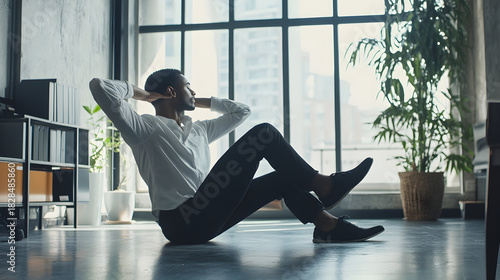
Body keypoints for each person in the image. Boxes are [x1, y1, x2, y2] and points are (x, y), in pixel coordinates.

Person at [89, 69, 384, 244]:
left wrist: (193, 100)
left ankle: (328, 227)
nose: (193, 90)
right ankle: (324, 186)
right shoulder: (144, 128)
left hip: (207, 214)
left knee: (283, 177)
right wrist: (148, 96)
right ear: (170, 91)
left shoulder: (200, 130)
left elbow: (240, 112)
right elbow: (100, 88)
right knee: (264, 134)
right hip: (182, 221)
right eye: (187, 86)